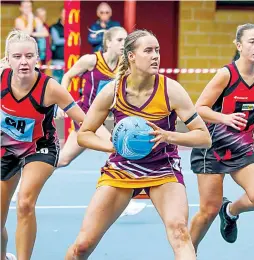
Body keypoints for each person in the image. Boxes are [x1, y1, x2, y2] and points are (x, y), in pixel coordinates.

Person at [65, 29, 211, 260]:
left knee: (180, 232)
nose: (156, 56)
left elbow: (204, 137)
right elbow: (84, 135)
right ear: (131, 56)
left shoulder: (171, 90)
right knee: (82, 246)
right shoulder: (112, 91)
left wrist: (168, 136)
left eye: (158, 50)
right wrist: (113, 147)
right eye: (148, 51)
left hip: (163, 168)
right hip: (122, 168)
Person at [0, 30, 85, 260]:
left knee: (25, 202)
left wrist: (110, 140)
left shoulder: (51, 88)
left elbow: (84, 120)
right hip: (7, 147)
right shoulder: (0, 80)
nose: (24, 61)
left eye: (29, 56)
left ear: (38, 58)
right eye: (17, 56)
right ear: (8, 60)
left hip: (41, 148)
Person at [57, 26, 147, 217]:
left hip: (103, 119)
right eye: (120, 40)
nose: (124, 44)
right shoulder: (91, 60)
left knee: (63, 159)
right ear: (108, 43)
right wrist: (62, 103)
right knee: (116, 148)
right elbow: (67, 76)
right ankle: (122, 199)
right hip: (85, 114)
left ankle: (25, 172)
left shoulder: (123, 66)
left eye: (126, 40)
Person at [190, 23, 254, 254]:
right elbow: (199, 108)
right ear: (239, 45)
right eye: (252, 41)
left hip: (241, 146)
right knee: (208, 211)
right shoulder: (226, 75)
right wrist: (225, 118)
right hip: (212, 147)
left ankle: (230, 211)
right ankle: (187, 252)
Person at [50, 8, 65, 83]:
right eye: (64, 13)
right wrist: (70, 40)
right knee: (56, 83)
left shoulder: (73, 28)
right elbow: (57, 41)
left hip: (69, 60)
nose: (65, 15)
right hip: (57, 60)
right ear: (60, 14)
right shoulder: (54, 27)